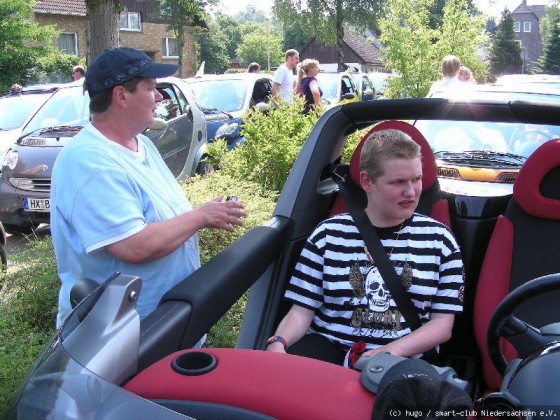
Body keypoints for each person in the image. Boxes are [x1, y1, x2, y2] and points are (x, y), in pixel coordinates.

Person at [51, 48, 247, 328]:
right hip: (116, 340)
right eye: (151, 88)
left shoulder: (142, 144)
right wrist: (202, 216)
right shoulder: (89, 161)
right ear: (121, 96)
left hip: (160, 325)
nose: (160, 97)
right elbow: (133, 246)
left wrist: (203, 214)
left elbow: (158, 215)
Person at [267, 128, 464, 367]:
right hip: (328, 352)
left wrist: (388, 351)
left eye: (417, 179)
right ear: (367, 181)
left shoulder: (440, 241)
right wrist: (278, 342)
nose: (411, 192)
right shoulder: (327, 235)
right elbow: (301, 312)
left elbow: (442, 324)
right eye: (398, 182)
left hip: (401, 358)